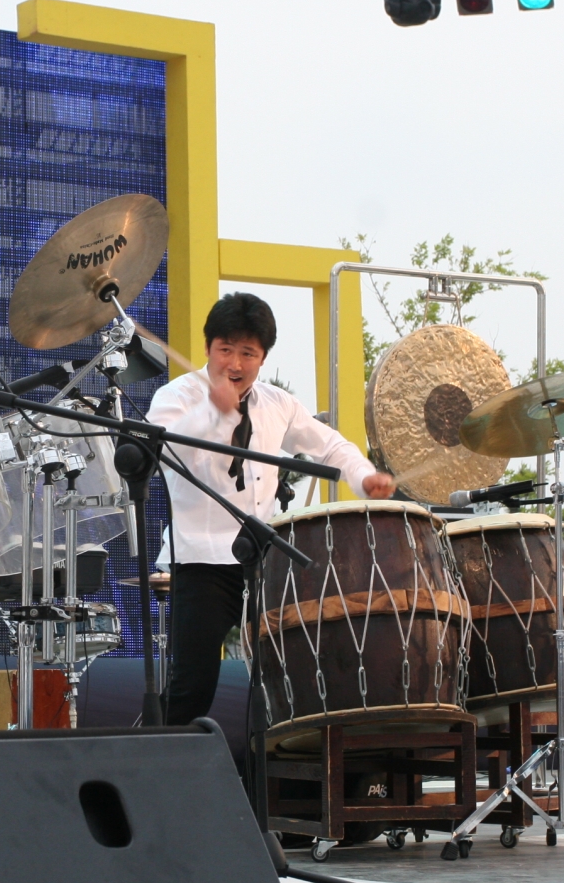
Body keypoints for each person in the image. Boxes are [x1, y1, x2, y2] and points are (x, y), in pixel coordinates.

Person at [149, 292, 396, 726]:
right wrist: (214, 410)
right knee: (193, 686)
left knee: (283, 676)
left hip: (261, 559)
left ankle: (272, 776)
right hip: (200, 560)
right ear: (208, 348)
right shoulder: (179, 396)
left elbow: (329, 445)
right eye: (226, 350)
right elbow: (168, 448)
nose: (235, 364)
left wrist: (362, 475)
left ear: (262, 359)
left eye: (248, 353)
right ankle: (155, 771)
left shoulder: (276, 403)